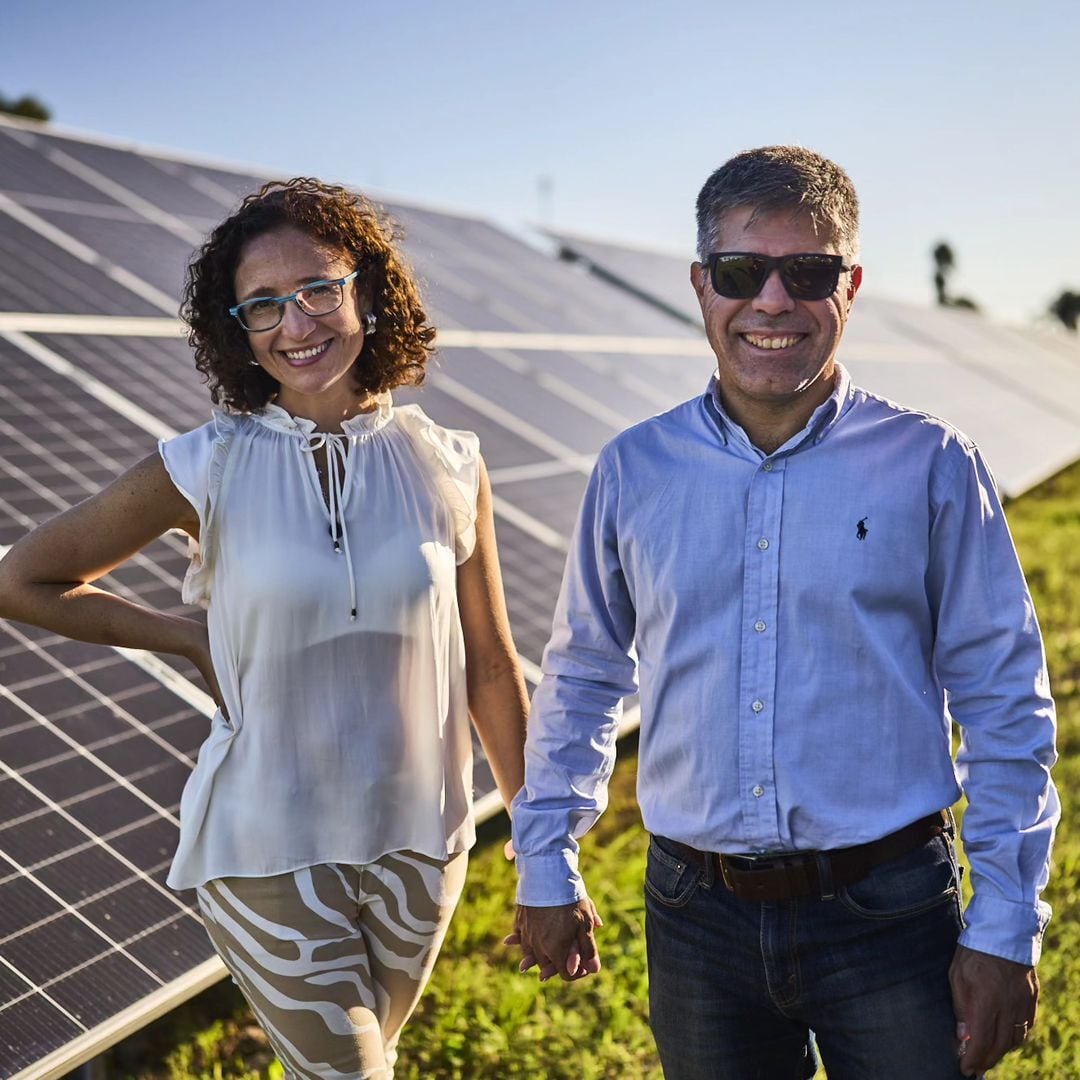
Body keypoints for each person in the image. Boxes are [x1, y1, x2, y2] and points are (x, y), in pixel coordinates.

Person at [508, 146, 1058, 1079]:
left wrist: (1007, 924)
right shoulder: (633, 471)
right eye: (740, 272)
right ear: (700, 285)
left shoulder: (930, 465)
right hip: (693, 914)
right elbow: (587, 674)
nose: (771, 302)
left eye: (807, 273)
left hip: (888, 908)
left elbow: (1004, 698)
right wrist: (545, 855)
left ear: (849, 286)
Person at [0, 178, 529, 1079]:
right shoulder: (204, 465)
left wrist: (539, 835)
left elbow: (489, 663)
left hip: (421, 839)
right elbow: (24, 580)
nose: (298, 323)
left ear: (367, 290)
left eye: (319, 289)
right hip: (265, 846)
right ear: (237, 328)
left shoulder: (449, 464)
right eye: (263, 306)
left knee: (368, 1061)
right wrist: (179, 633)